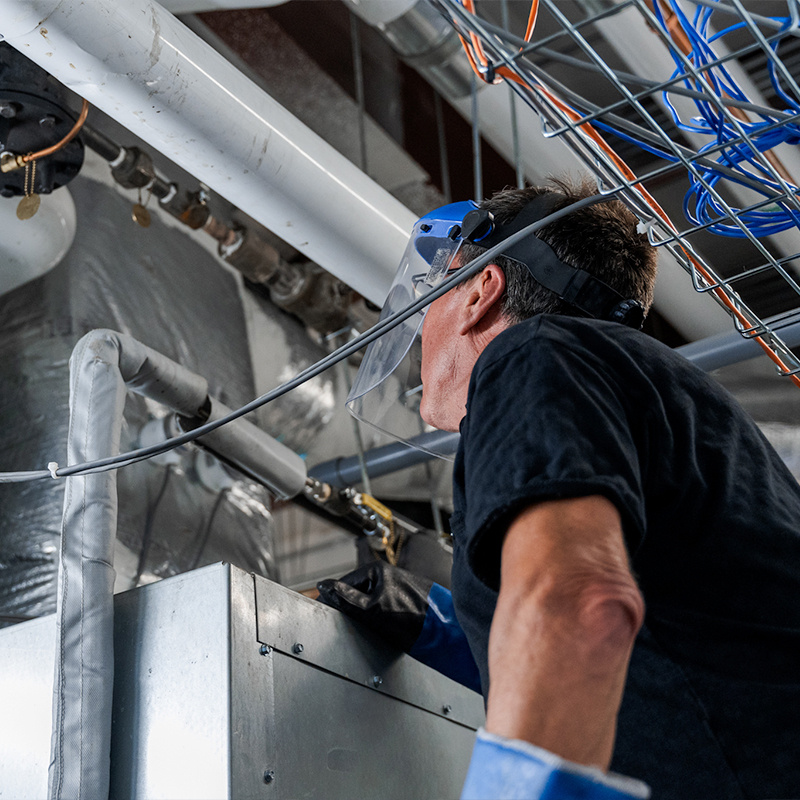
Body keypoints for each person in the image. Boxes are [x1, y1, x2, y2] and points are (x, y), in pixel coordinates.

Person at [322, 178, 800, 799]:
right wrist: (454, 629)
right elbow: (690, 636)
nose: (420, 330)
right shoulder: (653, 391)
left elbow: (580, 602)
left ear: (480, 293)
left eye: (433, 294)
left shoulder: (533, 355)